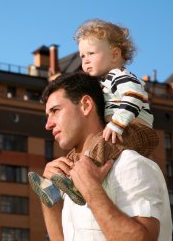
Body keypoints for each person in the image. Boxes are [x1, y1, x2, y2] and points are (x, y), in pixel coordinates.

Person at [28, 19, 159, 206]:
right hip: (121, 128)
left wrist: (117, 123)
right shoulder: (105, 83)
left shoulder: (121, 76)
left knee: (100, 145)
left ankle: (79, 185)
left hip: (135, 129)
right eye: (82, 56)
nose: (85, 60)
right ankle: (53, 188)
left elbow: (133, 96)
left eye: (91, 53)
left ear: (114, 54)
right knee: (73, 157)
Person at [39, 72, 172, 240]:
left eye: (55, 111)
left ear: (86, 105)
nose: (48, 125)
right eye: (47, 116)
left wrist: (91, 189)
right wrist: (49, 195)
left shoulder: (130, 164)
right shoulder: (74, 178)